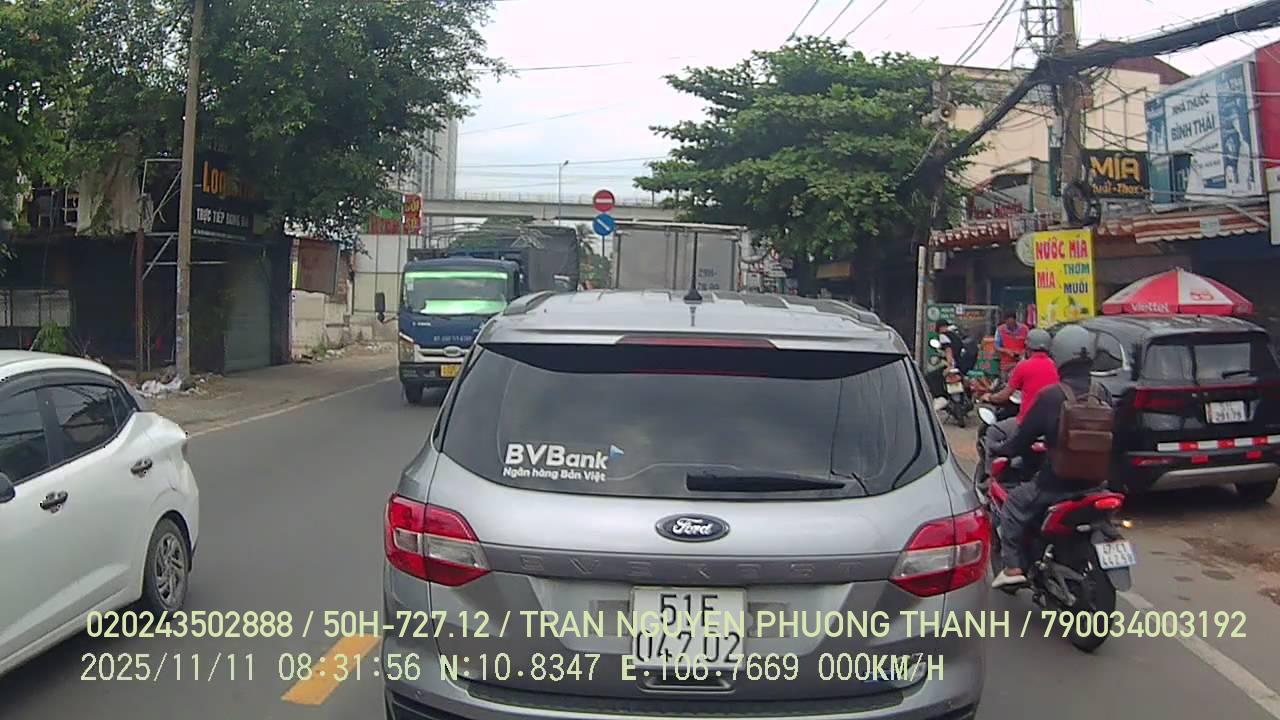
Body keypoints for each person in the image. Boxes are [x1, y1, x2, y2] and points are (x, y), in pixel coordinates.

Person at [989, 324, 1112, 589]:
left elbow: (1022, 440)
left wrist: (1001, 449)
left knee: (1013, 505)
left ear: (1060, 356)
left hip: (1055, 485)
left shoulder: (1051, 396)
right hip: (1096, 484)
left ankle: (1013, 567)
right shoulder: (1102, 392)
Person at [981, 328, 1058, 424]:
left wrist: (990, 397)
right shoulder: (1056, 366)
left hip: (1028, 421)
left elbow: (1004, 396)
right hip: (1052, 421)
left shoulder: (1023, 366)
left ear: (1028, 347)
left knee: (995, 431)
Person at [994, 311, 1029, 380]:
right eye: (1008, 324)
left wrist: (1023, 353)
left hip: (1021, 363)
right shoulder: (1000, 330)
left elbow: (1029, 345)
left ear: (1015, 320)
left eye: (1012, 323)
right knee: (1005, 381)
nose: (1011, 326)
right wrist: (1007, 351)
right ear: (1005, 321)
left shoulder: (1025, 329)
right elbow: (996, 346)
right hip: (1006, 364)